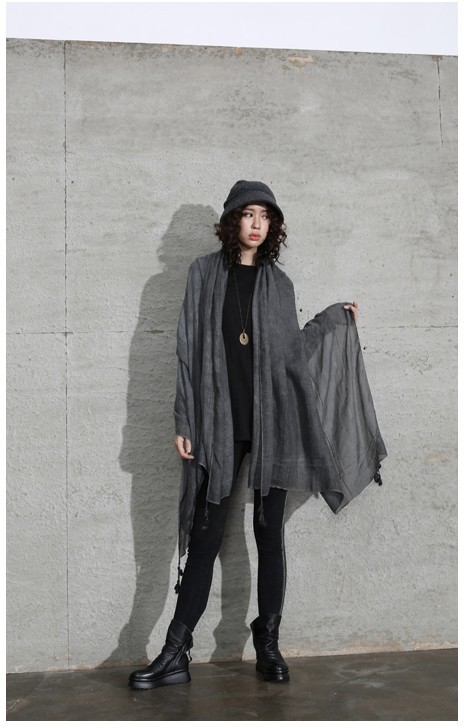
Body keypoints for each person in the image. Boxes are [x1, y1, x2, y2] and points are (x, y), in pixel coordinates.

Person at [128, 180, 386, 690]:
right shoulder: (203, 274)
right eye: (248, 214)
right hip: (219, 425)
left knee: (269, 535)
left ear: (273, 227)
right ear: (232, 220)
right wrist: (184, 419)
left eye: (265, 217)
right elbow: (186, 348)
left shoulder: (279, 285)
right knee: (205, 538)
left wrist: (332, 321)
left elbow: (291, 353)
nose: (256, 224)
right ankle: (176, 651)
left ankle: (268, 643)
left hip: (273, 425)